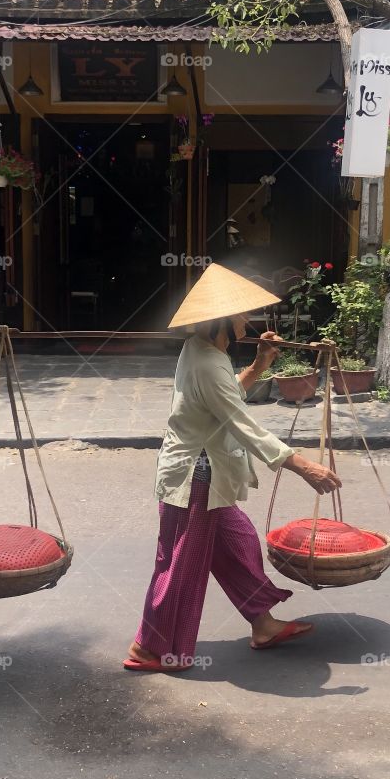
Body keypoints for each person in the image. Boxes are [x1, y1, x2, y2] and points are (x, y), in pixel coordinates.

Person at [124, 263, 341, 672]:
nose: (248, 320)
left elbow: (223, 405)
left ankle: (263, 624)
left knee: (239, 542)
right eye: (242, 315)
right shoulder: (207, 361)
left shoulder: (206, 352)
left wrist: (259, 366)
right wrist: (301, 466)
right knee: (182, 566)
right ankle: (151, 647)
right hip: (196, 479)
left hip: (208, 475)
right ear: (221, 320)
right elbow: (243, 425)